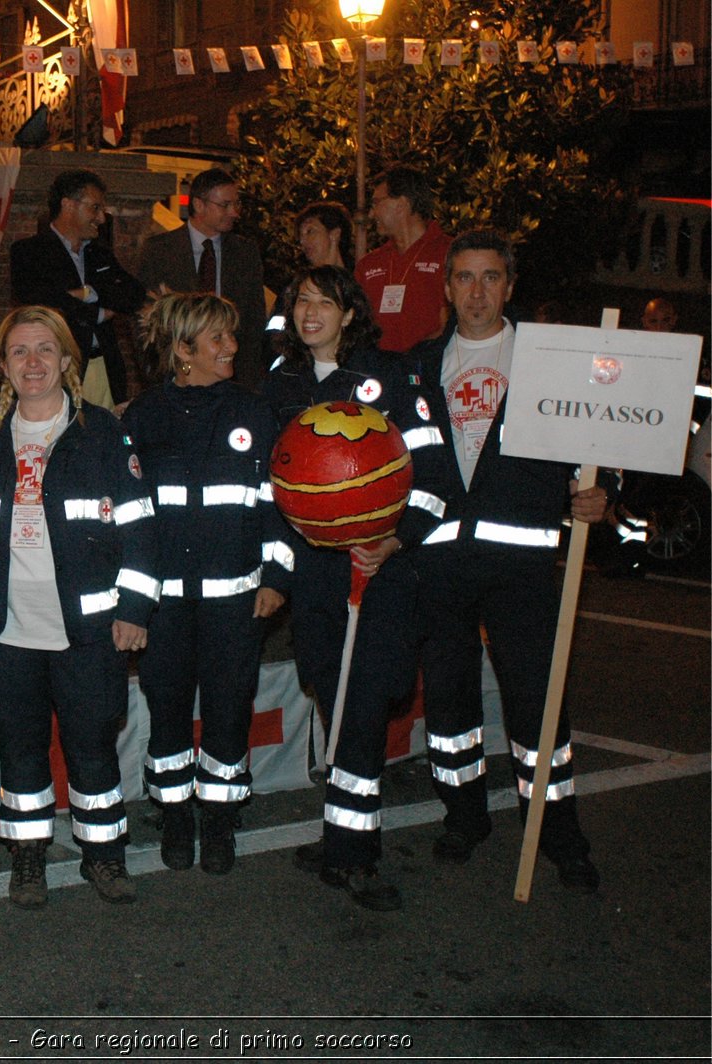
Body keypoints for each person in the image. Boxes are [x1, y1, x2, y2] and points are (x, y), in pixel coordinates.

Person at [408, 229, 605, 894]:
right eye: (464, 277)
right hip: (441, 564)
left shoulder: (548, 362)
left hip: (520, 565)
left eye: (491, 277)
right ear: (448, 286)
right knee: (450, 703)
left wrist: (596, 495)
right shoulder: (419, 364)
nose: (477, 292)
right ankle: (464, 816)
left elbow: (595, 444)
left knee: (537, 706)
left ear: (510, 286)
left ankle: (557, 833)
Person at [261, 265, 450, 910]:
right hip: (315, 573)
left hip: (379, 569)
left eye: (324, 301)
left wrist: (394, 540)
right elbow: (274, 492)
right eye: (300, 300)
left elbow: (436, 477)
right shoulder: (280, 384)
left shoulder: (393, 376)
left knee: (364, 705)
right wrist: (278, 572)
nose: (309, 311)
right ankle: (341, 831)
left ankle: (358, 854)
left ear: (350, 313)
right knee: (331, 696)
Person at [0, 305, 158, 907]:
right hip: (8, 633)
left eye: (45, 349)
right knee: (19, 751)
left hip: (89, 631)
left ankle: (105, 856)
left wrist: (135, 609)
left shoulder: (102, 433)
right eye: (19, 352)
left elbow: (140, 527)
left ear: (68, 360)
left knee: (92, 748)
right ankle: (27, 858)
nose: (33, 362)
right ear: (3, 366)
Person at [123, 293, 288, 875]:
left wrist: (277, 576)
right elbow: (128, 514)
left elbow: (278, 503)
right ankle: (173, 814)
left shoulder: (255, 412)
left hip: (236, 601)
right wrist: (133, 601)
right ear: (182, 349)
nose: (232, 349)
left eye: (232, 337)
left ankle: (219, 819)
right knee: (166, 709)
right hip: (163, 605)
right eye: (217, 339)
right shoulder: (142, 417)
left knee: (227, 711)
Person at [10, 170, 147, 408]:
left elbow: (133, 295)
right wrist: (99, 313)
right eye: (94, 208)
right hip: (57, 371)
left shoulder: (100, 253)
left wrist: (86, 293)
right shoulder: (29, 252)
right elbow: (42, 304)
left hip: (104, 367)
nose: (102, 218)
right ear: (68, 205)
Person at [138, 167, 269, 391]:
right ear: (199, 205)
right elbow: (146, 315)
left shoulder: (245, 252)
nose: (234, 213)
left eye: (236, 204)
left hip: (232, 377)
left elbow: (254, 320)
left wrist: (249, 379)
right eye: (224, 205)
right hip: (179, 376)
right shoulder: (160, 250)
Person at [353, 167, 451, 357]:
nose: (372, 214)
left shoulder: (449, 253)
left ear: (402, 203)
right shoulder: (368, 265)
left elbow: (457, 322)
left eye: (376, 203)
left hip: (431, 371)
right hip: (379, 376)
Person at [296, 202, 353, 270]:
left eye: (310, 232)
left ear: (335, 234)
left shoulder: (359, 277)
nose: (302, 241)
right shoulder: (302, 278)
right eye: (301, 235)